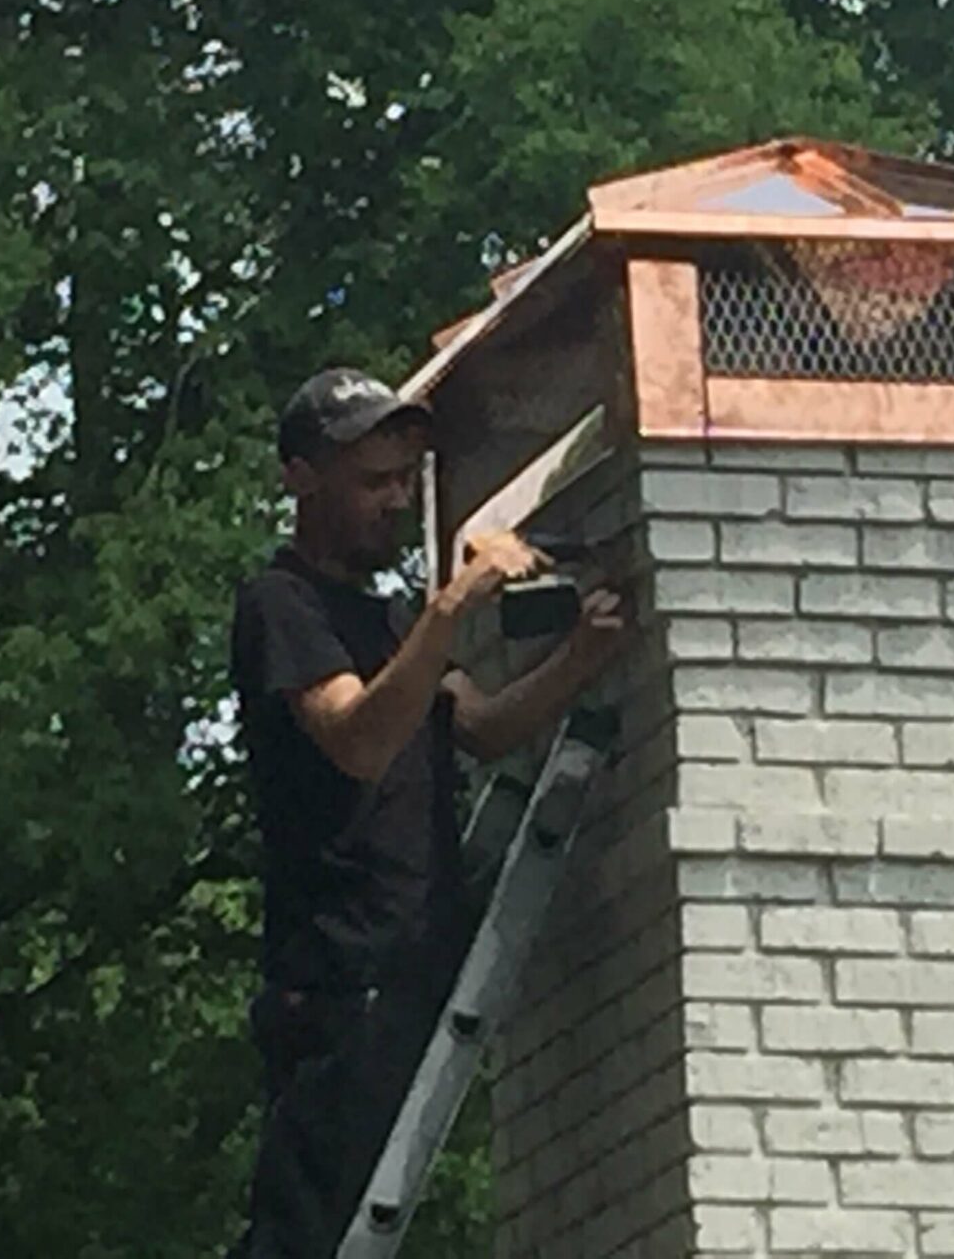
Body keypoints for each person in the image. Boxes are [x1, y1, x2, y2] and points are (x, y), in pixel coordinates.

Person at [229, 366, 626, 1259]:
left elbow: (478, 728)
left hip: (407, 961)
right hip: (339, 978)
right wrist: (455, 605)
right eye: (374, 482)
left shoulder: (390, 617)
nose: (397, 501)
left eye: (406, 481)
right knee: (305, 1235)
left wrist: (580, 660)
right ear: (301, 477)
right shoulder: (283, 604)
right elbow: (357, 740)